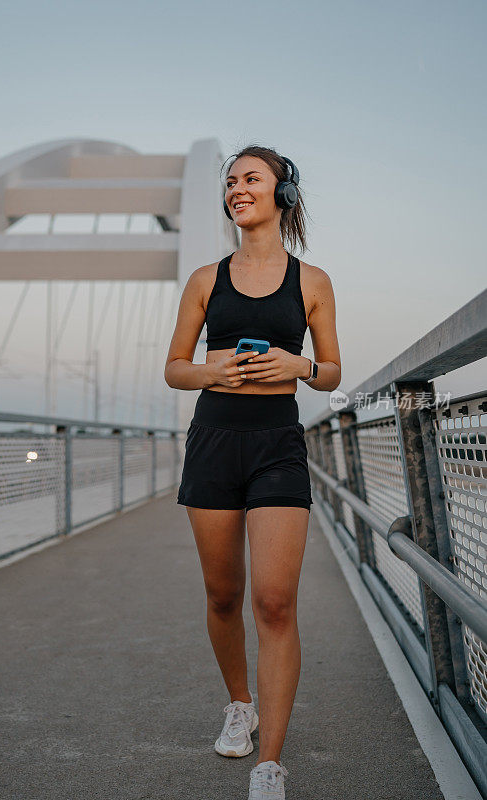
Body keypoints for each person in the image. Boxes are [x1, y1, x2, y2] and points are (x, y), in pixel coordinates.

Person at [164, 144, 341, 799]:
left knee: (273, 600)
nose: (237, 189)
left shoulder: (313, 281)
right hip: (213, 439)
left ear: (282, 193)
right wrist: (213, 371)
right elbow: (174, 367)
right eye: (230, 181)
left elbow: (331, 370)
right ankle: (238, 702)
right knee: (222, 596)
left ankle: (269, 764)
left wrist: (300, 368)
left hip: (276, 444)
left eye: (251, 179)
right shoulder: (206, 281)